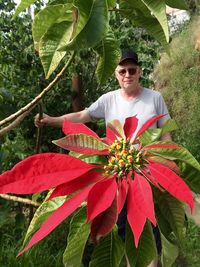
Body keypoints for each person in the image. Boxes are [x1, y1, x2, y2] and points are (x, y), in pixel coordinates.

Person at [35, 48, 171, 267]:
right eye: (123, 70)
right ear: (116, 74)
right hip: (118, 180)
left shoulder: (155, 98)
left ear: (139, 71)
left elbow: (165, 134)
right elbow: (82, 116)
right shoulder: (108, 100)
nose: (128, 74)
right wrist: (52, 120)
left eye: (132, 70)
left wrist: (169, 166)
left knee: (148, 231)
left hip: (147, 177)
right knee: (125, 232)